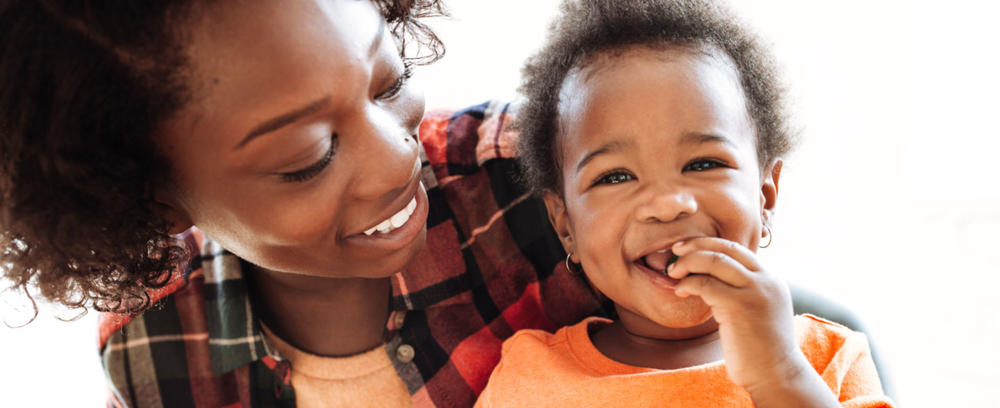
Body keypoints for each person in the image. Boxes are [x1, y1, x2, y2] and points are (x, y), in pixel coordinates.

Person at [0, 1, 606, 407]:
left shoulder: (557, 182)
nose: (398, 156)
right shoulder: (149, 353)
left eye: (388, 81)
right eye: (307, 158)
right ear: (151, 200)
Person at [474, 1, 895, 407]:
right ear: (566, 227)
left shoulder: (827, 357)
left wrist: (780, 374)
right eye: (615, 176)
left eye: (703, 163)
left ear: (765, 196)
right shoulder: (530, 374)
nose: (667, 204)